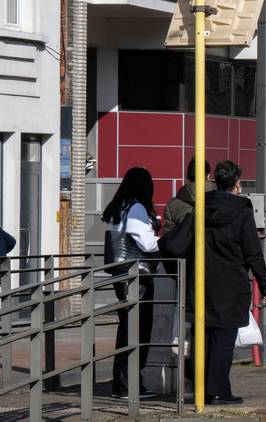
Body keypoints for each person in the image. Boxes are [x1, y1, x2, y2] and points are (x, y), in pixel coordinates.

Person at [203, 160, 266, 405]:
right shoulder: (242, 209)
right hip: (231, 283)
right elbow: (252, 251)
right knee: (224, 339)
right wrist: (265, 285)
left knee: (207, 337)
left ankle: (205, 389)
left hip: (204, 282)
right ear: (236, 184)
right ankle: (219, 391)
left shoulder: (203, 206)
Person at [101, 166, 159, 400]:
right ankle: (129, 385)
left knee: (127, 329)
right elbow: (146, 244)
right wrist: (160, 240)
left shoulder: (122, 206)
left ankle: (122, 384)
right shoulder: (136, 208)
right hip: (137, 277)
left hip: (122, 276)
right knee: (138, 330)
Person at [163, 158, 213, 233]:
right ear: (208, 176)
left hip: (183, 244)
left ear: (188, 176)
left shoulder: (172, 205)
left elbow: (168, 238)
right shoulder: (224, 199)